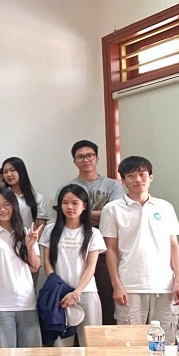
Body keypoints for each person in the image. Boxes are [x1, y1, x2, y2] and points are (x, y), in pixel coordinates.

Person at [100, 156, 179, 341]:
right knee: (129, 342)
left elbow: (174, 246)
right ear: (123, 180)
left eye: (142, 174)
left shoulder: (165, 207)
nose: (138, 179)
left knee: (166, 342)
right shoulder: (112, 209)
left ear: (151, 177)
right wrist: (116, 285)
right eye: (131, 175)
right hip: (129, 284)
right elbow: (111, 250)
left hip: (165, 285)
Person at [64, 139, 124, 325]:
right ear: (74, 161)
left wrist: (82, 213)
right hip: (76, 251)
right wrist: (102, 213)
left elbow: (114, 215)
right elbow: (66, 217)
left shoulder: (113, 185)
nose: (86, 160)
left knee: (107, 297)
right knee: (76, 300)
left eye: (90, 155)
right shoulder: (68, 188)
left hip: (107, 250)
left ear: (97, 158)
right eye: (80, 157)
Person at [40, 184, 105, 346]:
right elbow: (47, 262)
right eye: (65, 202)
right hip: (59, 294)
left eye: (75, 203)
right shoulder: (50, 230)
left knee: (92, 344)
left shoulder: (93, 233)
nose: (69, 207)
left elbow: (91, 266)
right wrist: (58, 287)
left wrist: (77, 292)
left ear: (84, 206)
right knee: (61, 346)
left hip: (86, 292)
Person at [0, 188, 43, 348]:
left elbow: (35, 267)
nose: (2, 209)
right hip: (0, 304)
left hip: (26, 302)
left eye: (6, 204)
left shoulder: (25, 232)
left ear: (14, 206)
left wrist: (30, 247)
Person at [0, 157, 49, 230]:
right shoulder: (1, 197)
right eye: (5, 172)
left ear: (21, 171)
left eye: (13, 170)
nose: (9, 174)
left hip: (30, 236)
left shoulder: (37, 197)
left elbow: (41, 226)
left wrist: (34, 237)